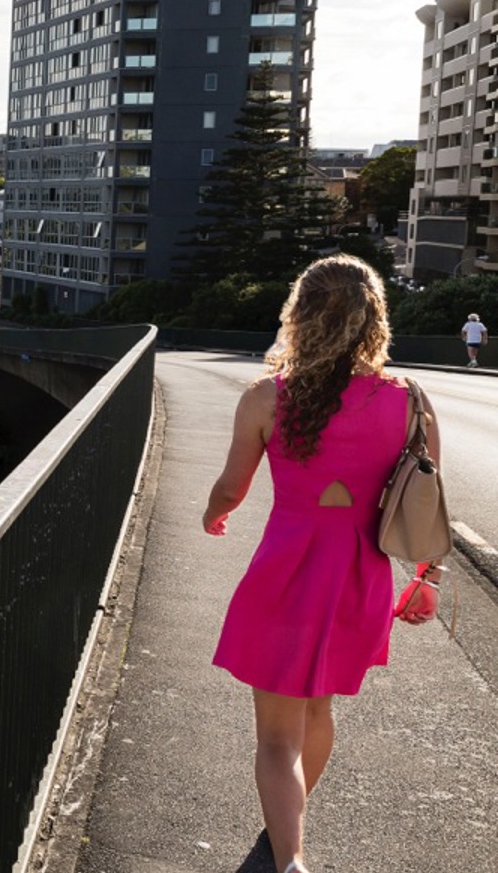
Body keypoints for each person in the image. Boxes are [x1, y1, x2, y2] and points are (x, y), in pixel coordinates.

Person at [203, 255, 443, 873]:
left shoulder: (267, 397)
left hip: (286, 575)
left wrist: (213, 514)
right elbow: (428, 499)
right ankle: (289, 832)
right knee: (318, 711)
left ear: (299, 316)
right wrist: (426, 580)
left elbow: (232, 487)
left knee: (276, 736)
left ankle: (290, 860)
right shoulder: (409, 399)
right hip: (359, 578)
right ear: (373, 319)